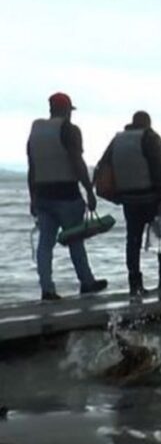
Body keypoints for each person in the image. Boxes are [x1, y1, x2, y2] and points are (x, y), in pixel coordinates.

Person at [27, 93, 108, 301]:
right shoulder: (69, 130)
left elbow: (32, 167)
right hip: (67, 196)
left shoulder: (36, 131)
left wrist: (32, 197)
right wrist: (89, 190)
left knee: (45, 244)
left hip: (43, 196)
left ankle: (47, 289)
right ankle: (87, 282)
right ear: (66, 110)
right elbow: (77, 162)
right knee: (76, 241)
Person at [97, 111, 161, 296]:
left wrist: (115, 194)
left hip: (129, 199)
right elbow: (158, 169)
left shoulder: (117, 140)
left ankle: (135, 283)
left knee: (133, 241)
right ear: (148, 123)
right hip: (151, 197)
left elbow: (104, 165)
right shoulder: (149, 138)